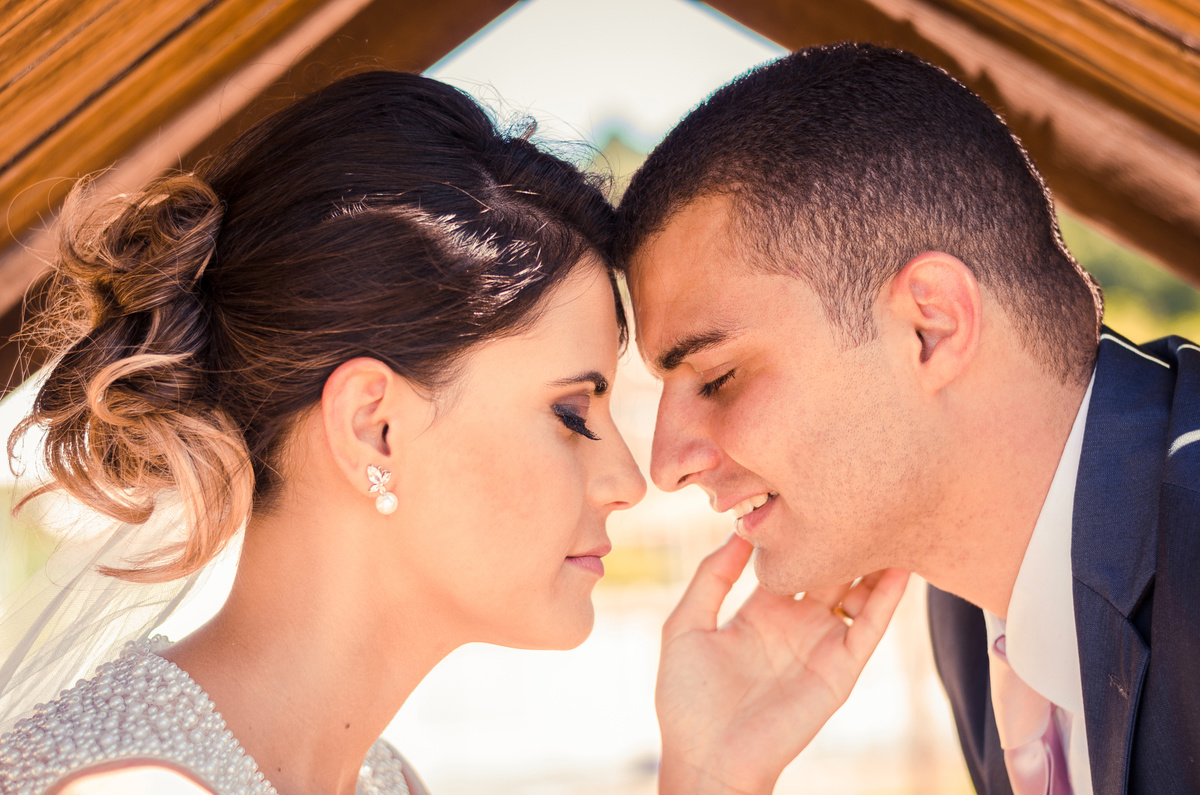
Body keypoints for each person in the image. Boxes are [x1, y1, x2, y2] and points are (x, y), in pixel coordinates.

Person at [0, 70, 907, 795]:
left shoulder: (386, 781)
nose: (632, 480)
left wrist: (711, 777)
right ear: (375, 428)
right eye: (571, 414)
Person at [620, 43, 1200, 795]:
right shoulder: (969, 609)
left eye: (718, 378)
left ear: (931, 327)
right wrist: (713, 779)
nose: (665, 464)